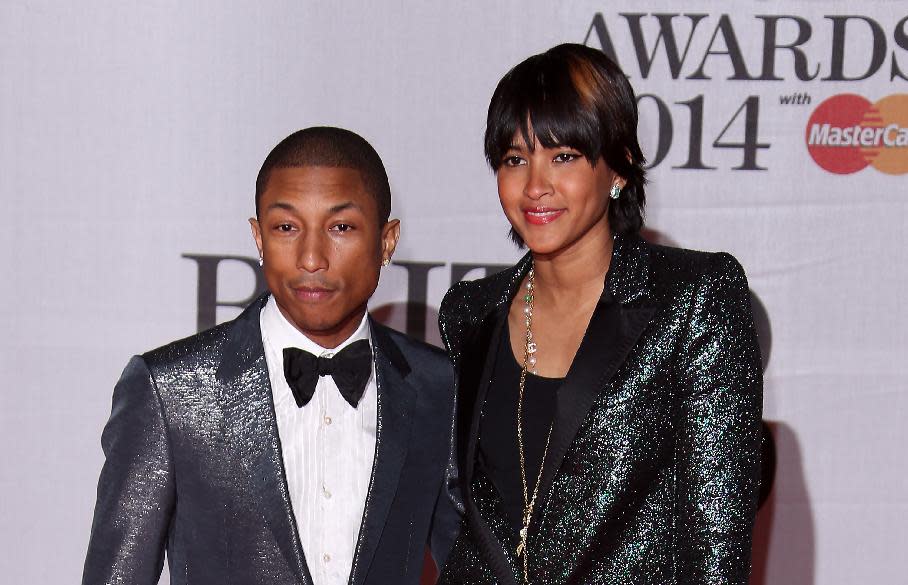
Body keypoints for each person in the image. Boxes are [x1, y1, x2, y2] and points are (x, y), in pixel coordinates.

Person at [437, 44, 763, 585]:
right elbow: (467, 526)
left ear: (619, 166)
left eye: (563, 156)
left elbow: (717, 547)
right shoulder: (470, 314)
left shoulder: (693, 297)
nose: (535, 185)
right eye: (516, 159)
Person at [83, 127, 460, 585]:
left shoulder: (437, 387)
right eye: (286, 227)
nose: (311, 257)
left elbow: (469, 564)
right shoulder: (170, 393)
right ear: (258, 238)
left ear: (387, 241)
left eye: (341, 227)